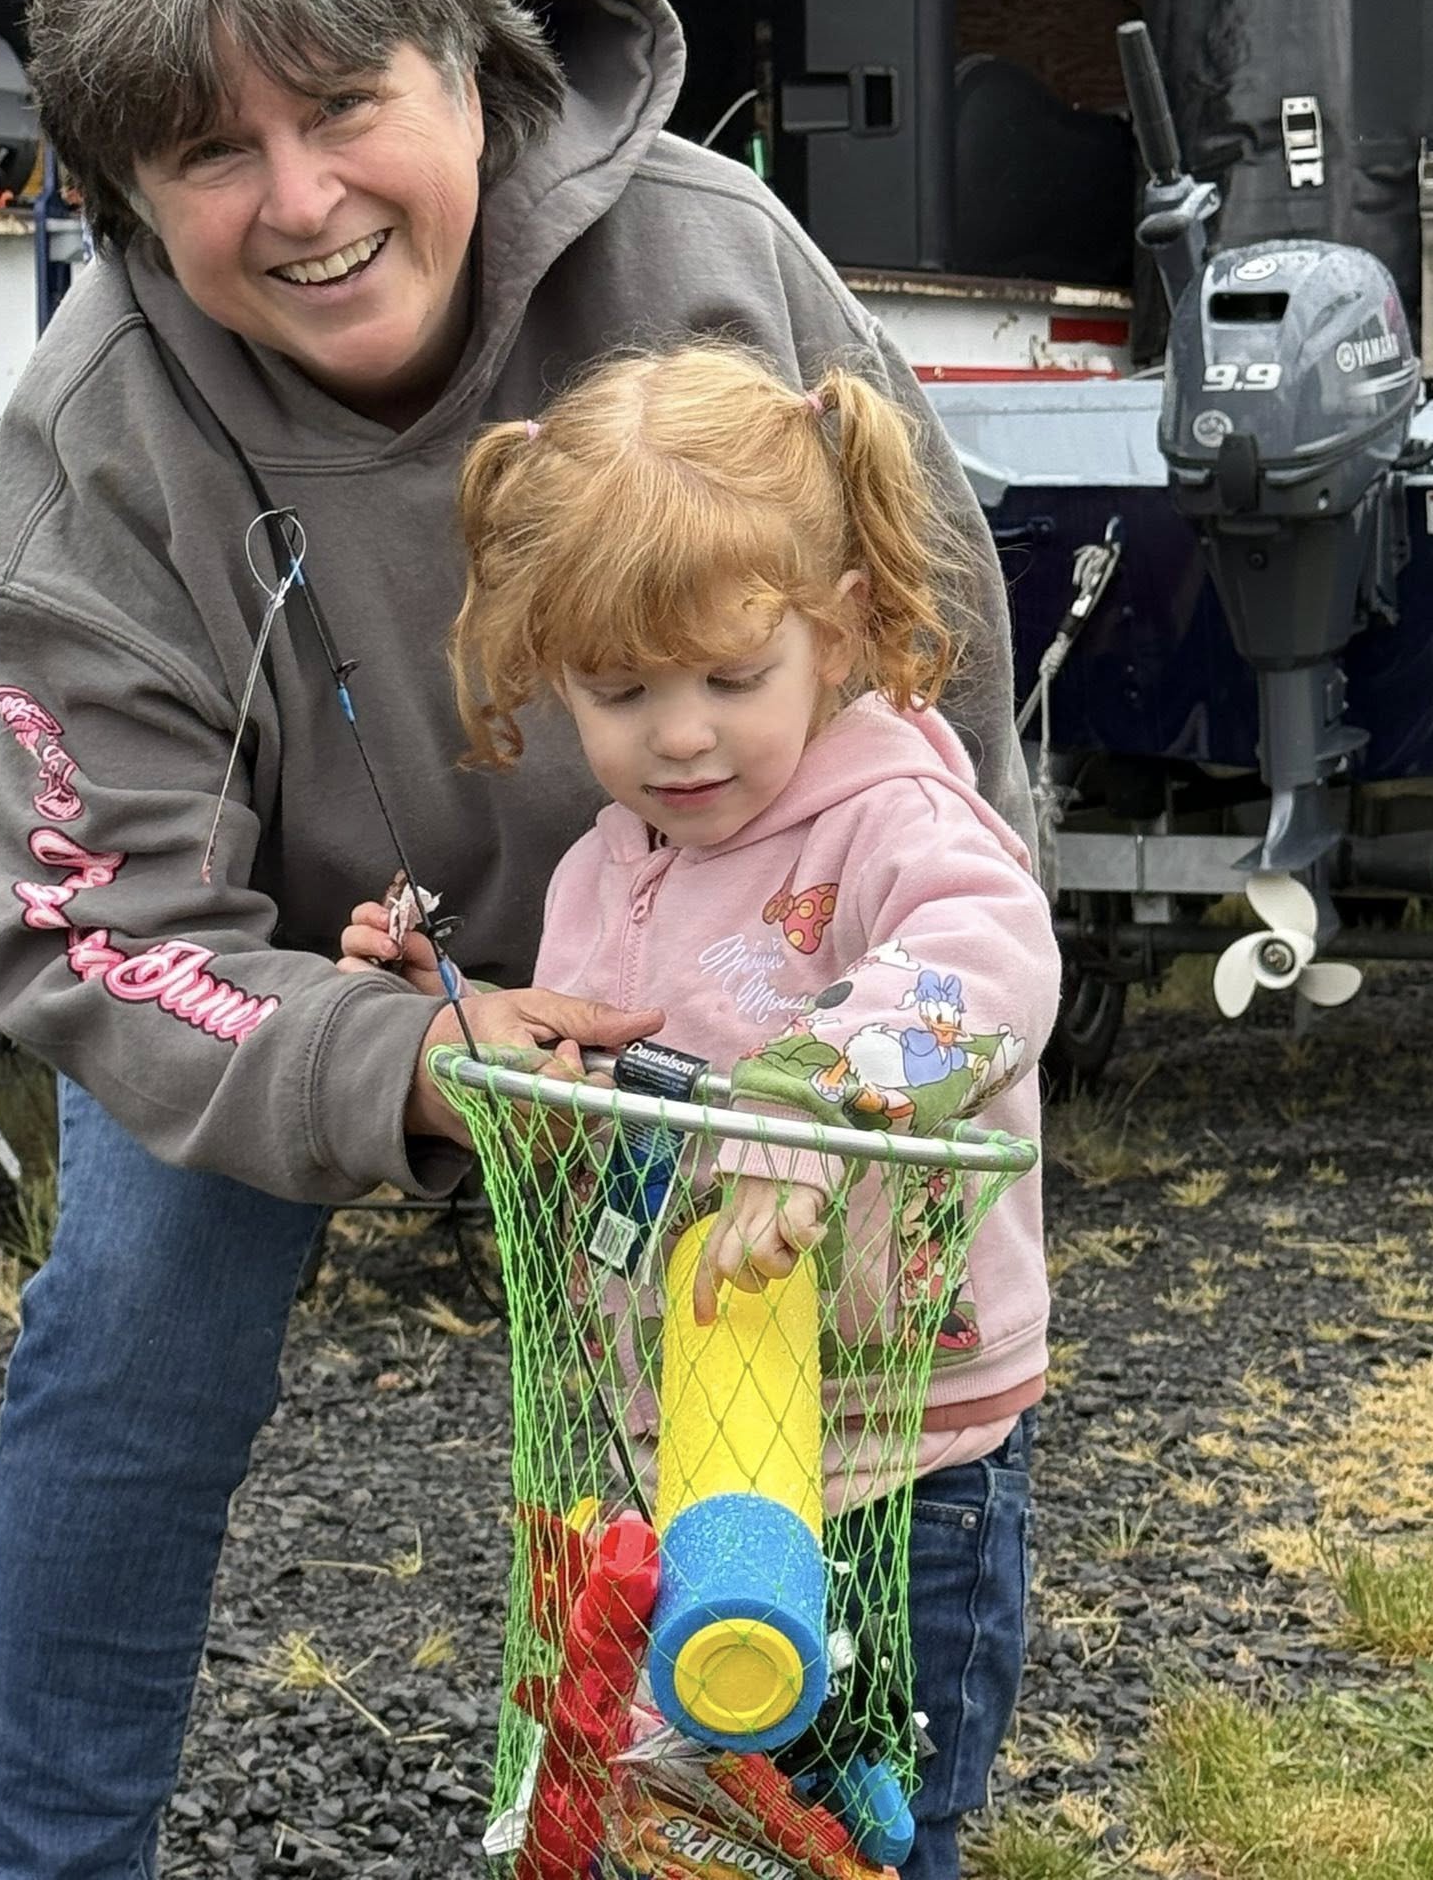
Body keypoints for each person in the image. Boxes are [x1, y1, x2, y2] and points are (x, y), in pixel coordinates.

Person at [0, 0, 1037, 1872]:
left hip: (753, 935)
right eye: (211, 153)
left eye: (349, 106)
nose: (301, 203)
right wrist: (395, 1057)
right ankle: (40, 1844)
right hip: (318, 974)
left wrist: (875, 1030)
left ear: (475, 73)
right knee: (119, 1337)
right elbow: (92, 922)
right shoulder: (95, 438)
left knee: (834, 1431)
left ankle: (813, 1788)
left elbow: (940, 690)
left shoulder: (715, 263)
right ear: (125, 192)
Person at [339, 342, 1059, 1880]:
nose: (680, 735)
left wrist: (802, 1113)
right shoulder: (611, 865)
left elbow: (986, 968)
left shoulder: (893, 818)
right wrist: (447, 1005)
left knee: (862, 1826)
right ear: (548, 674)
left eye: (734, 679)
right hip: (672, 1449)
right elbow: (604, 1086)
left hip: (895, 1456)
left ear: (841, 630)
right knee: (697, 1825)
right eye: (621, 691)